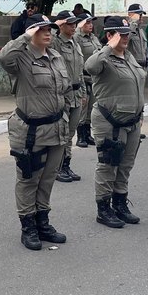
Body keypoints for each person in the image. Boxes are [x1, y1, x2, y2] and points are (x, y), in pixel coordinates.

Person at [0, 13, 73, 250]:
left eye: (49, 28)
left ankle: (43, 222)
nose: (48, 32)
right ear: (31, 33)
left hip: (56, 127)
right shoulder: (20, 58)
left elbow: (64, 89)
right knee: (29, 179)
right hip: (31, 130)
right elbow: (2, 57)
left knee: (48, 178)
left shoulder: (56, 57)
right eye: (41, 29)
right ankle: (28, 226)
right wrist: (24, 36)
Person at [86, 16, 146, 227]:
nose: (125, 37)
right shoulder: (101, 58)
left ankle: (120, 204)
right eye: (120, 34)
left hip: (132, 121)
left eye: (127, 33)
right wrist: (108, 47)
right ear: (110, 35)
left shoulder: (129, 57)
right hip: (109, 121)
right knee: (108, 165)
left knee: (125, 165)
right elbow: (89, 67)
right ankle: (104, 209)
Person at [51, 10, 85, 183]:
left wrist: (83, 93)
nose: (73, 27)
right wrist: (54, 26)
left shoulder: (75, 43)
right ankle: (56, 168)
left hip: (76, 94)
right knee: (61, 133)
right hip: (62, 94)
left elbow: (79, 71)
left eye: (74, 24)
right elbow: (44, 43)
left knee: (70, 133)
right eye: (70, 24)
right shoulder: (55, 43)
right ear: (61, 25)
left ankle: (66, 165)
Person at [75, 13, 101, 147]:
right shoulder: (77, 37)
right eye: (87, 23)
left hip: (93, 77)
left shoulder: (93, 38)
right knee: (83, 106)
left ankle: (87, 133)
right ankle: (80, 136)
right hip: (83, 76)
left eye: (91, 22)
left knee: (91, 106)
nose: (90, 25)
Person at [126, 2, 148, 70]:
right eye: (138, 14)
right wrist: (133, 22)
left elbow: (145, 50)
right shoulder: (127, 29)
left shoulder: (141, 31)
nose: (141, 17)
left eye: (141, 14)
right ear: (130, 15)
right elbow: (126, 38)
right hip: (132, 67)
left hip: (142, 67)